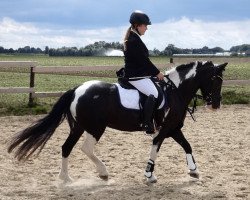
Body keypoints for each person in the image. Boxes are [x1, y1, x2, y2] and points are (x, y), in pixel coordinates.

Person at [123, 10, 164, 134]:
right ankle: (146, 123)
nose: (146, 28)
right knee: (155, 94)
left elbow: (142, 61)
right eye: (145, 25)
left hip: (139, 74)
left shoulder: (134, 37)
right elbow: (144, 61)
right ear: (137, 25)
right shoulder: (133, 40)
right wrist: (157, 73)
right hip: (135, 76)